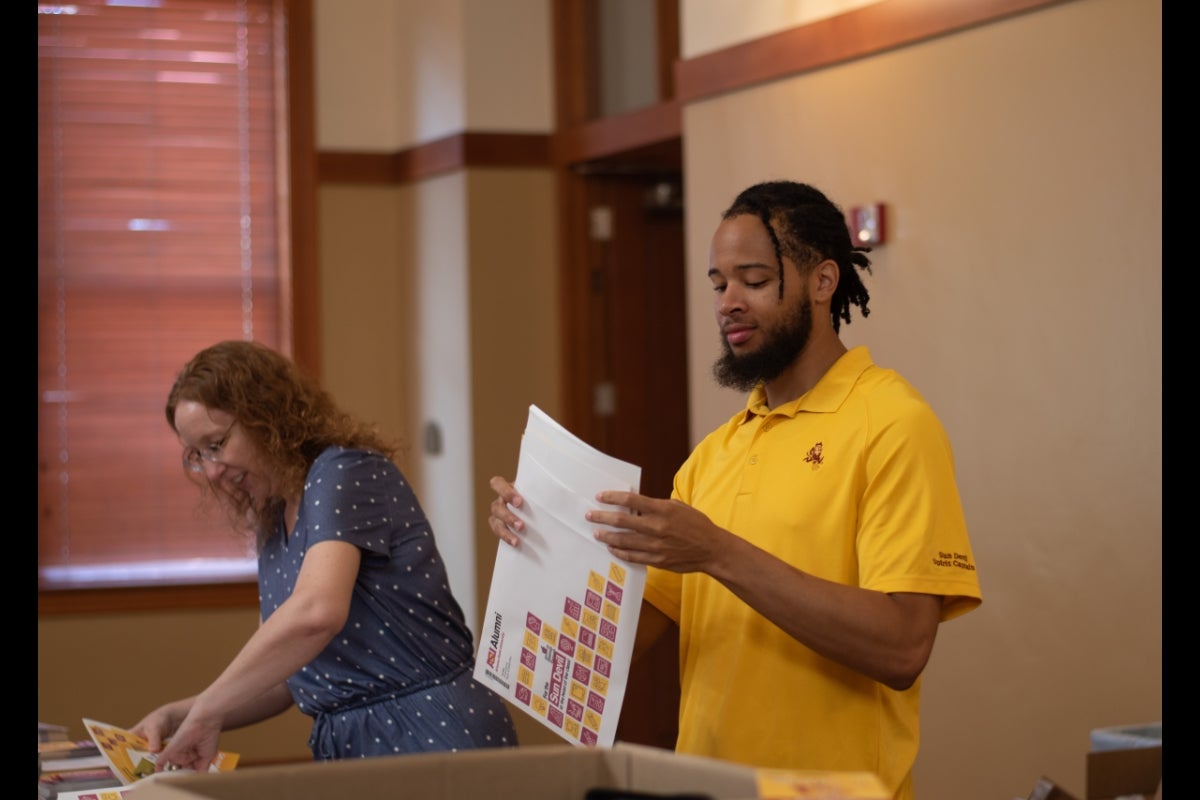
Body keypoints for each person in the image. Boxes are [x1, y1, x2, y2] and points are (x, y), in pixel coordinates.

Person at [488, 180, 982, 800]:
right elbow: (611, 648)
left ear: (823, 281)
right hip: (709, 787)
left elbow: (904, 646)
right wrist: (538, 544)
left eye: (753, 279)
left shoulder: (892, 423)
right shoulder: (713, 456)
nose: (728, 302)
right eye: (719, 283)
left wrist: (718, 552)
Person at [135, 340, 518, 772]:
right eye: (197, 455)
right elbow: (285, 677)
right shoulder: (273, 519)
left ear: (266, 415)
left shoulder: (345, 471)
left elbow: (317, 612)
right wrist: (180, 714)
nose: (212, 470)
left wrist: (207, 708)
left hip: (431, 730)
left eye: (217, 444)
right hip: (352, 748)